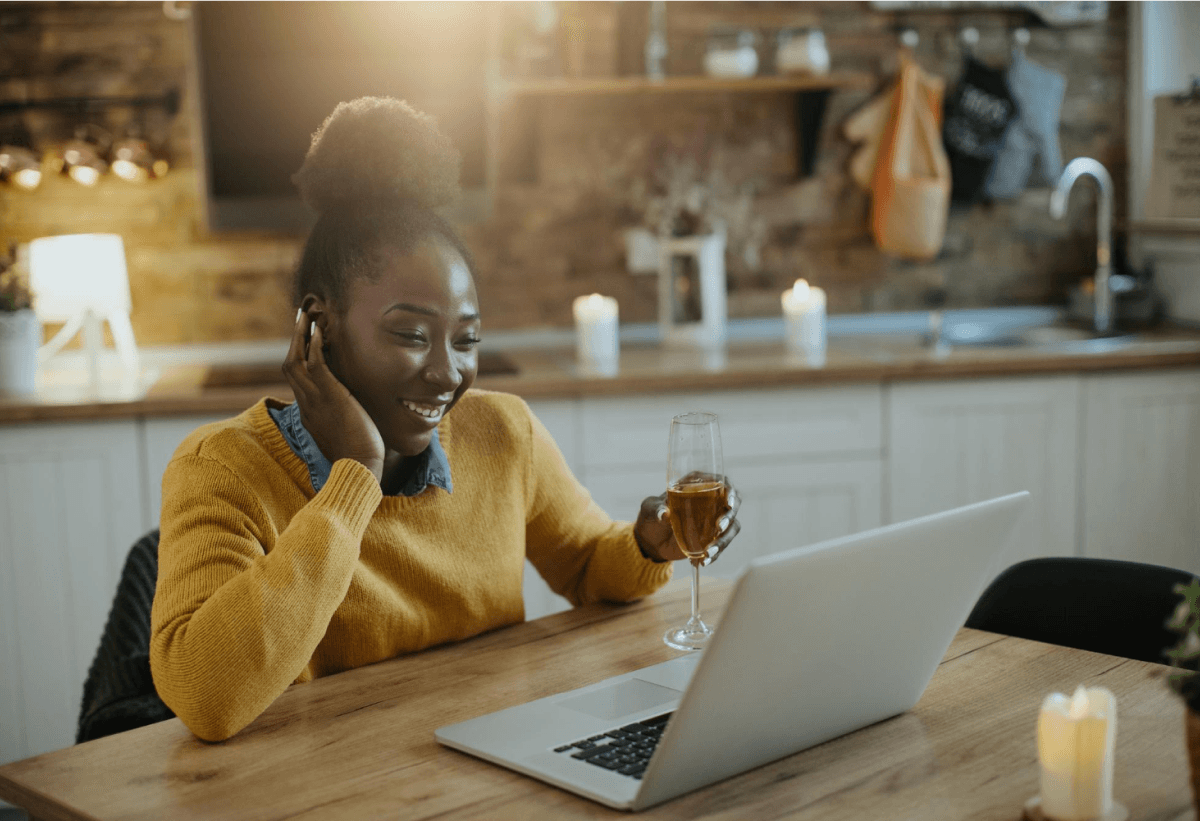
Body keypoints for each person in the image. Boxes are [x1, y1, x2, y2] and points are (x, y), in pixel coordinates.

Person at [150, 97, 741, 743]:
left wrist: (649, 542)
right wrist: (354, 478)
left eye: (465, 339)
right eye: (410, 333)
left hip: (491, 759)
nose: (447, 371)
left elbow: (587, 565)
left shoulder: (501, 431)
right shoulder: (223, 466)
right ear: (319, 329)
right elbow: (204, 695)